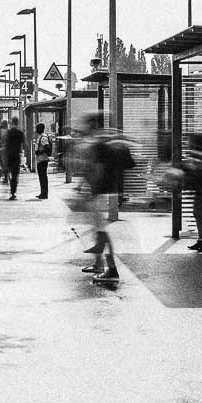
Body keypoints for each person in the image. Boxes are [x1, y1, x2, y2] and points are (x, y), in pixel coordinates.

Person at [80, 115, 133, 283]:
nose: (85, 128)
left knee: (102, 232)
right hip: (105, 191)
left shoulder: (99, 144)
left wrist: (92, 191)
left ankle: (111, 269)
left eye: (88, 124)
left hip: (101, 192)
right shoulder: (102, 141)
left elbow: (98, 170)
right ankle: (99, 263)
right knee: (99, 230)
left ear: (93, 125)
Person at [3, 117, 26, 199]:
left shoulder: (8, 132)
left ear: (12, 123)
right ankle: (13, 192)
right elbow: (24, 144)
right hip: (16, 156)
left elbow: (5, 144)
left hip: (9, 156)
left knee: (9, 172)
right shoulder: (20, 132)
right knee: (15, 175)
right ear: (18, 123)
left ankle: (11, 186)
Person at [33, 122, 52, 199]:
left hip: (43, 160)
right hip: (41, 159)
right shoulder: (41, 136)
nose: (36, 129)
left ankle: (44, 193)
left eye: (37, 128)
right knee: (42, 176)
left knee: (43, 176)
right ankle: (42, 192)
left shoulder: (43, 137)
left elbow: (47, 147)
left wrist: (39, 152)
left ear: (40, 129)